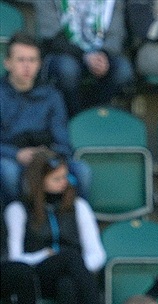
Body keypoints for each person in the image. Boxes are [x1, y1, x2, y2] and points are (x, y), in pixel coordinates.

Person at [3, 149, 107, 304]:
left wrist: (76, 267)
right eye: (56, 178)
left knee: (68, 283)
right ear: (39, 180)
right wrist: (44, 256)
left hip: (72, 275)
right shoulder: (18, 209)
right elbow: (15, 258)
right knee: (68, 257)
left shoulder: (79, 206)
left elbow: (97, 254)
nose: (64, 182)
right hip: (35, 275)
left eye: (65, 176)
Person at [0, 32, 91, 202]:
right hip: (11, 159)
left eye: (32, 60)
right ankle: (14, 222)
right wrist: (17, 154)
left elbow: (63, 142)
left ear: (39, 64)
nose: (27, 66)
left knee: (82, 171)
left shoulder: (52, 95)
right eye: (21, 60)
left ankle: (73, 223)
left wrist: (47, 155)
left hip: (48, 159)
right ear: (8, 63)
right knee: (8, 172)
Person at [34, 0, 135, 117]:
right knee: (67, 70)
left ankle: (94, 114)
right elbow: (51, 35)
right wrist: (85, 56)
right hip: (63, 52)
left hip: (101, 53)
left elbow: (116, 33)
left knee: (123, 70)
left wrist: (103, 55)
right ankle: (74, 117)